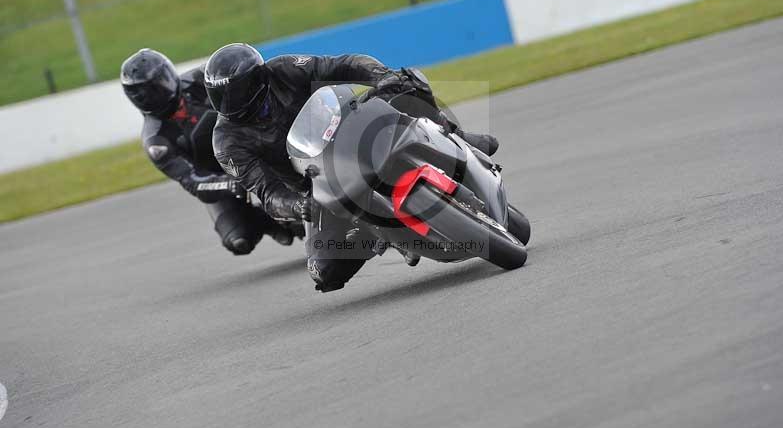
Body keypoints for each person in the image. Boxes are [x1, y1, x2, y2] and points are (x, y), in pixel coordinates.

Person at [205, 43, 499, 291]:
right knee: (324, 274)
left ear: (258, 80)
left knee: (408, 83)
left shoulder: (284, 69)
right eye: (221, 96)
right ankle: (374, 234)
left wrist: (382, 77)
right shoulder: (226, 141)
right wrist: (297, 206)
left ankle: (457, 138)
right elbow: (267, 192)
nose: (229, 103)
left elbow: (343, 64)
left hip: (350, 132)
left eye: (237, 92)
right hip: (315, 186)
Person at [120, 48, 297, 256]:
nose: (163, 87)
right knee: (238, 240)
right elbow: (193, 180)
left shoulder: (202, 79)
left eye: (163, 78)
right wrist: (230, 183)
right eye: (153, 89)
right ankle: (267, 222)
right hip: (219, 177)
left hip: (251, 145)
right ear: (139, 98)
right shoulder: (156, 141)